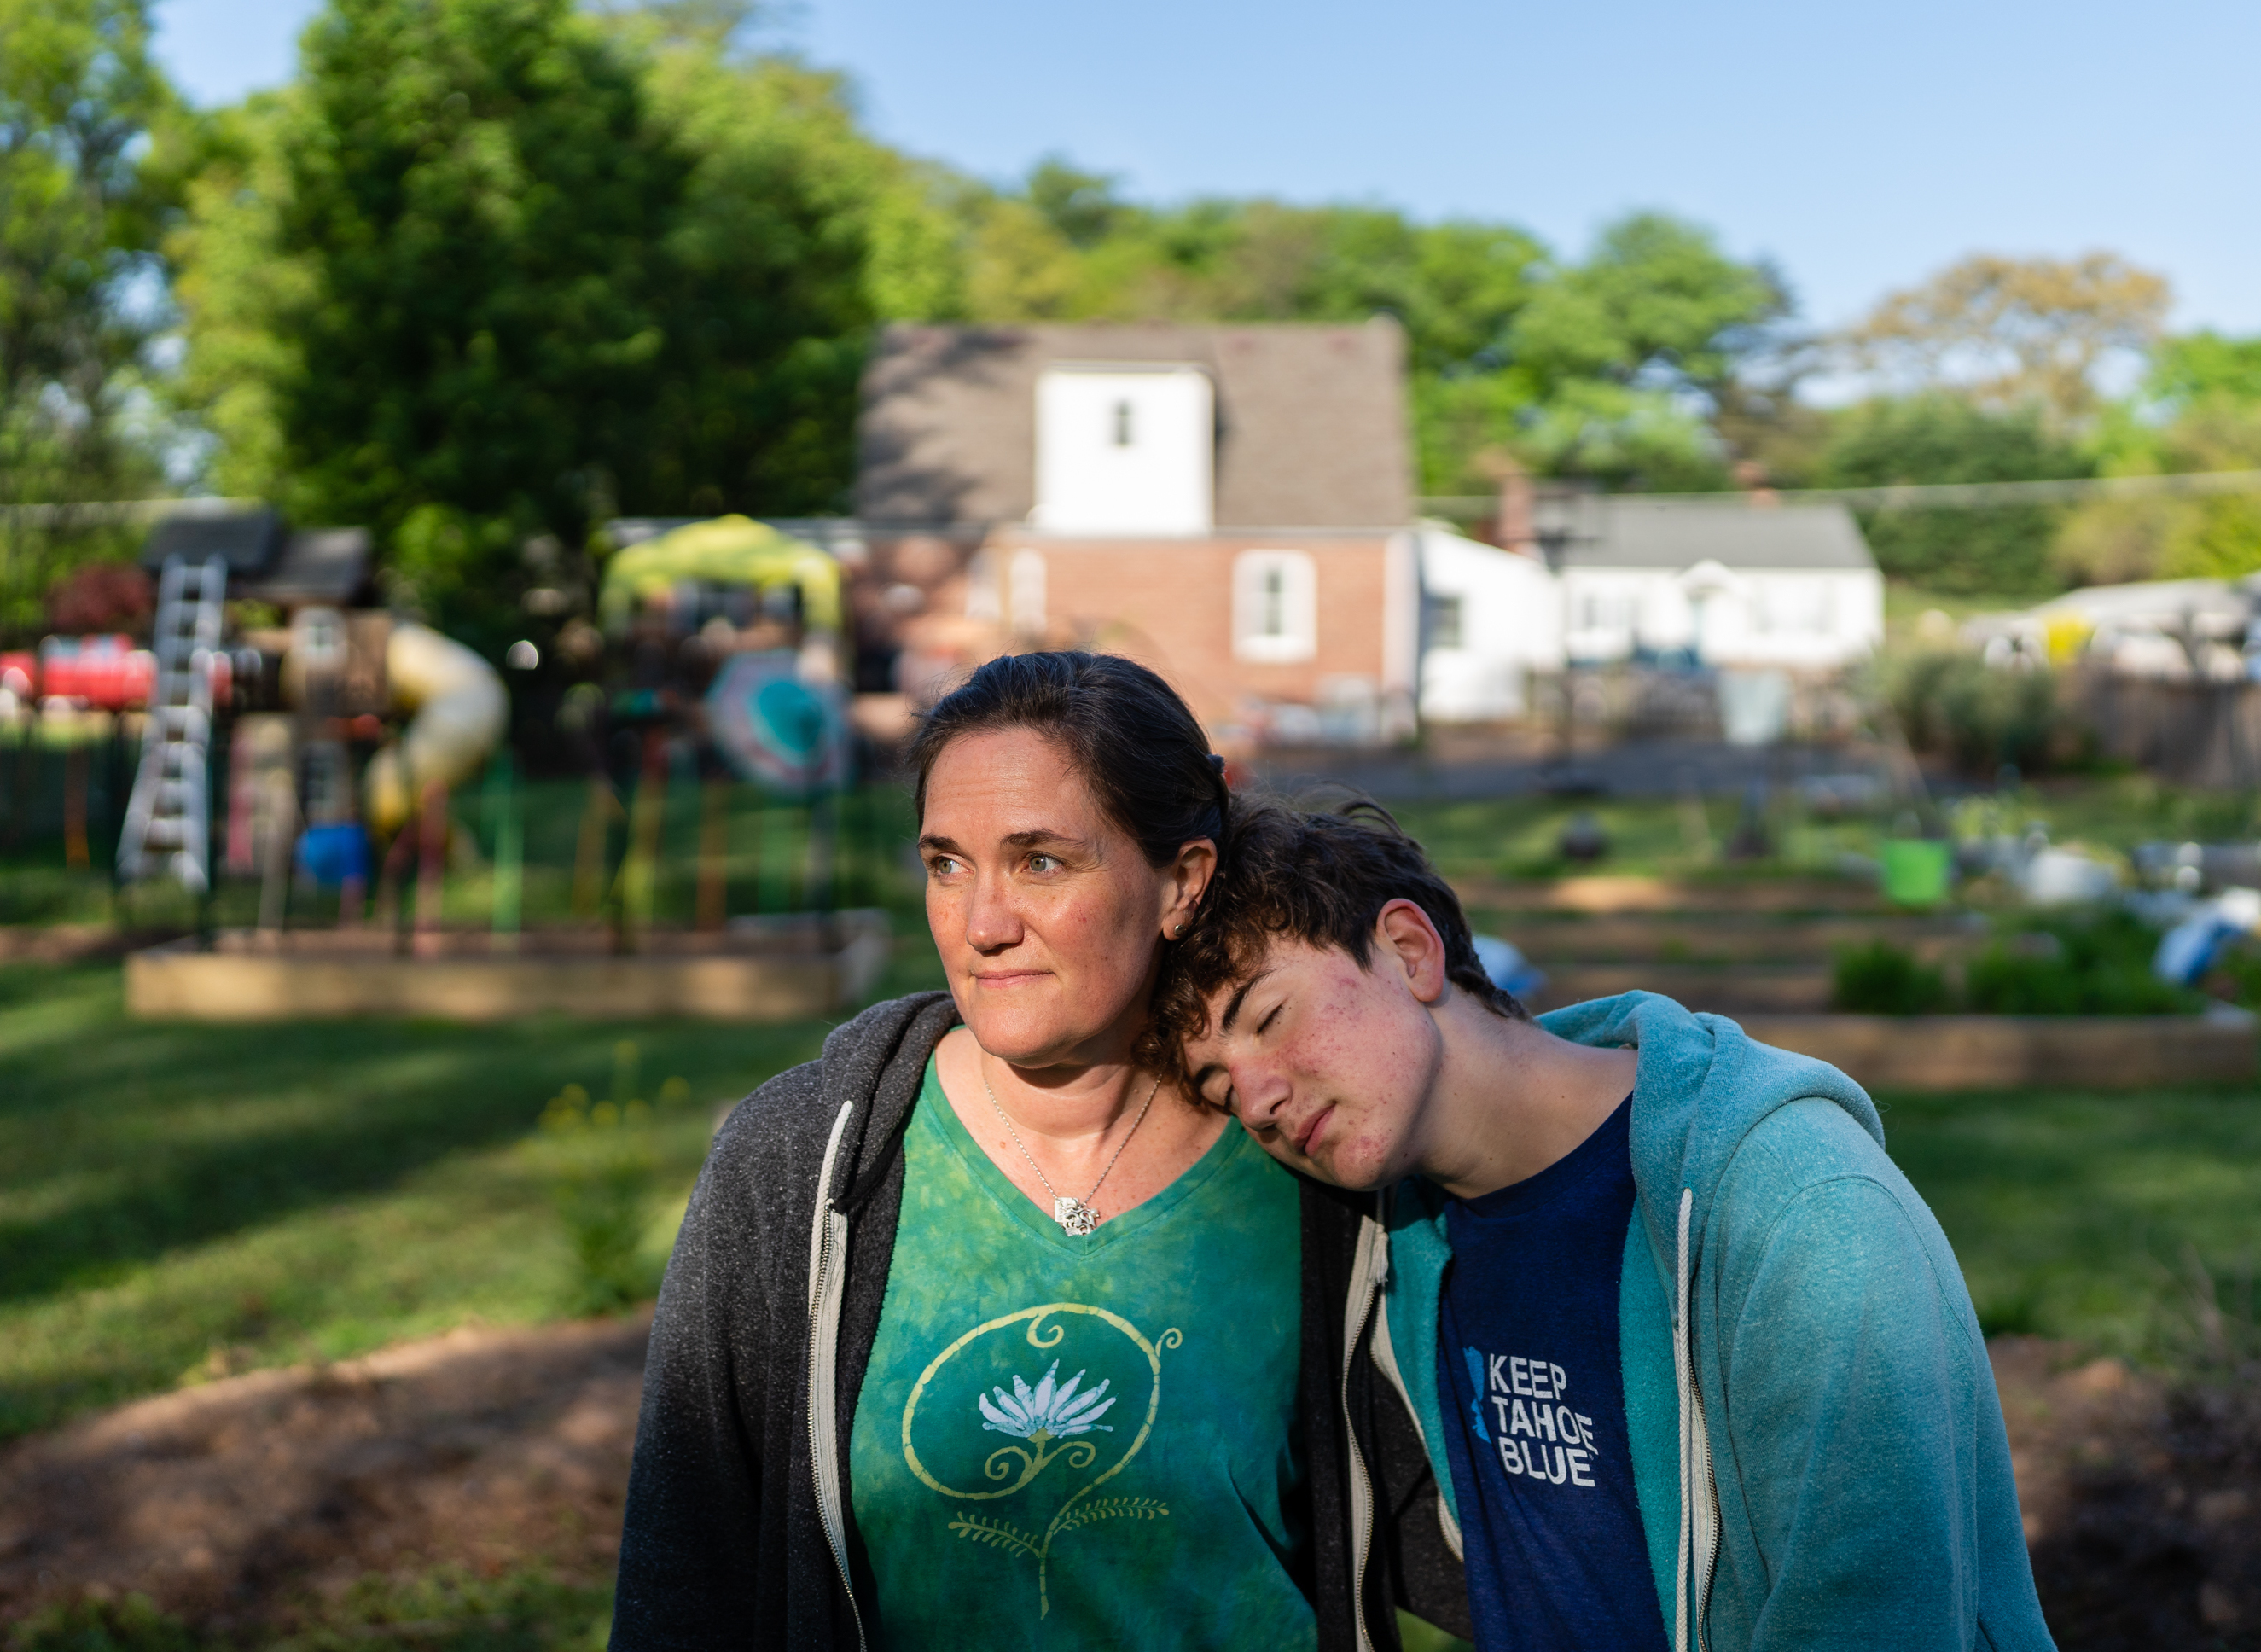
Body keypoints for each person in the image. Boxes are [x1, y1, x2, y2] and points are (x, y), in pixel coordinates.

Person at [611, 654, 1461, 1650]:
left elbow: (1503, 1539)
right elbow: (684, 1570)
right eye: (946, 863)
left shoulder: (1307, 1158)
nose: (981, 923)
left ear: (1180, 881)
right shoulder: (802, 1160)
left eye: (1040, 861)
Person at [1147, 798, 2059, 1652]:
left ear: (1409, 949)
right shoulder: (1401, 1239)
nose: (1257, 1099)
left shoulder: (1795, 1212)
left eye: (1267, 1015)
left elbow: (1875, 1615)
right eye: (1222, 1088)